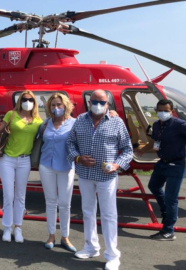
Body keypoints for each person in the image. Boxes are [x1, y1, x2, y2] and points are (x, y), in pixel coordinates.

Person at [67, 90, 133, 270]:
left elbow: (128, 150)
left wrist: (117, 165)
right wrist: (78, 158)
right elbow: (70, 143)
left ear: (108, 104)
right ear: (89, 102)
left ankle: (112, 254)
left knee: (108, 214)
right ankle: (91, 246)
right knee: (87, 211)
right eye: (94, 101)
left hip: (107, 176)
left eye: (102, 102)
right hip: (85, 174)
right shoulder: (80, 120)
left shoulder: (116, 122)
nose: (98, 105)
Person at [0, 90, 43, 243]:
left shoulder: (38, 120)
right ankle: (7, 227)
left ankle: (18, 227)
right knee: (9, 194)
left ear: (34, 102)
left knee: (20, 195)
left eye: (30, 99)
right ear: (20, 101)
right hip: (8, 159)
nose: (27, 102)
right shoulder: (11, 115)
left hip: (25, 160)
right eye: (24, 99)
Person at [135, 99, 186, 240]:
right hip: (162, 162)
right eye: (160, 110)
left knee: (171, 198)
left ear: (172, 111)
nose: (163, 113)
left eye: (166, 110)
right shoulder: (157, 124)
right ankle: (167, 212)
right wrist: (143, 149)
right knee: (153, 186)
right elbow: (154, 140)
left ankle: (168, 230)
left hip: (177, 164)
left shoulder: (180, 125)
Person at [38, 93, 77, 252]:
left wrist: (111, 113)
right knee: (50, 201)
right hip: (46, 165)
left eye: (59, 105)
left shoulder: (74, 123)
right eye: (53, 105)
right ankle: (51, 235)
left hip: (66, 166)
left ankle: (65, 237)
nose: (56, 108)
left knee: (65, 204)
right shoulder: (46, 123)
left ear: (66, 106)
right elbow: (37, 137)